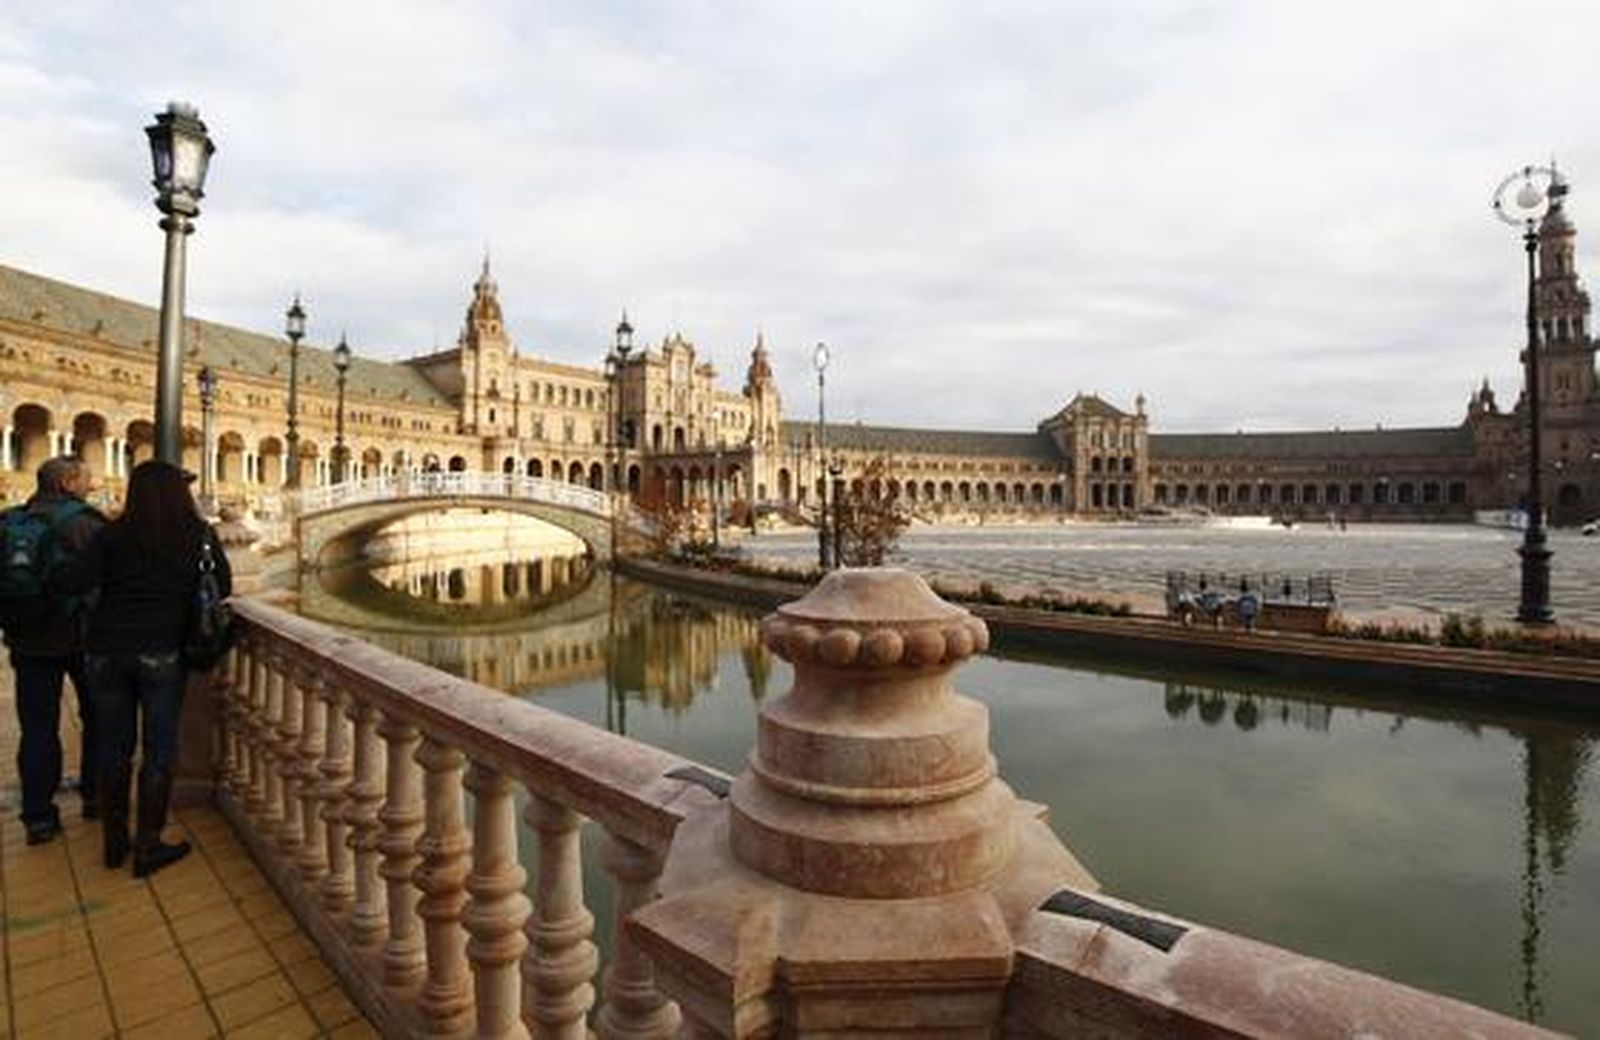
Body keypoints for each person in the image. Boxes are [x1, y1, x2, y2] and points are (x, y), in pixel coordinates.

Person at [66, 460, 230, 876]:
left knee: (112, 746)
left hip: (105, 652)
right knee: (158, 750)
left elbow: (69, 581)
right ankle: (148, 844)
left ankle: (113, 843)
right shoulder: (197, 536)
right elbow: (222, 587)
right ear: (179, 494)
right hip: (162, 652)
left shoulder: (110, 534)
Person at [0, 456, 105, 844]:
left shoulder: (12, 520)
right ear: (66, 483)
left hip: (27, 639)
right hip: (81, 638)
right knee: (98, 718)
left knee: (38, 729)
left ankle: (39, 817)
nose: (90, 485)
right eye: (85, 478)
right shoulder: (84, 523)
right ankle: (95, 796)